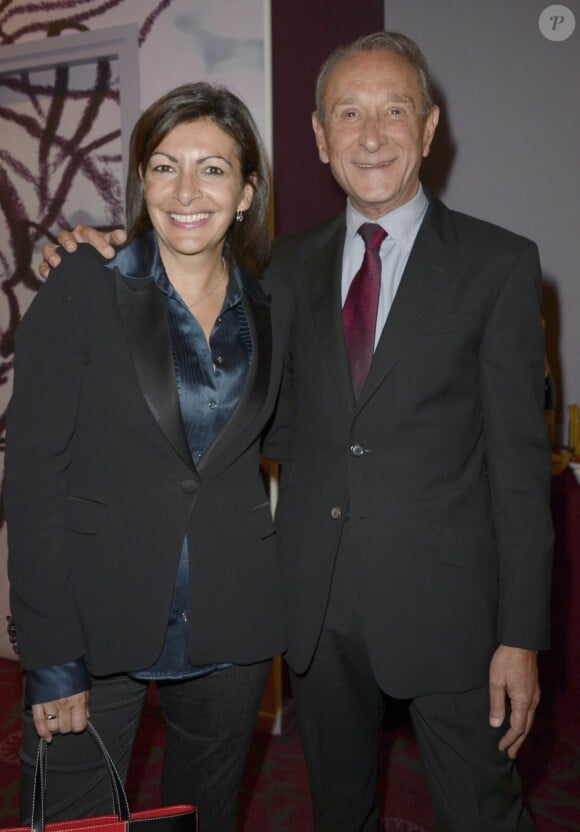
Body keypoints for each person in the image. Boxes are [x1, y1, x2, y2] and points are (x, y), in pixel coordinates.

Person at [40, 31, 553, 832]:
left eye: (395, 112)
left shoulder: (502, 266)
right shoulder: (279, 271)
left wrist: (520, 635)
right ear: (318, 137)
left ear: (428, 128)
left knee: (483, 812)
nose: (372, 135)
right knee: (337, 811)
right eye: (348, 114)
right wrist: (94, 242)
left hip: (452, 616)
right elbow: (200, 340)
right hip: (313, 612)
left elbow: (520, 472)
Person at [5, 81, 288, 832]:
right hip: (94, 626)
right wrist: (51, 655)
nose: (186, 190)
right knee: (72, 823)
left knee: (203, 816)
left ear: (247, 189)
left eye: (214, 169)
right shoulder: (84, 286)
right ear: (140, 181)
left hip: (232, 628)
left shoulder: (272, 306)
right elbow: (33, 481)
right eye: (164, 166)